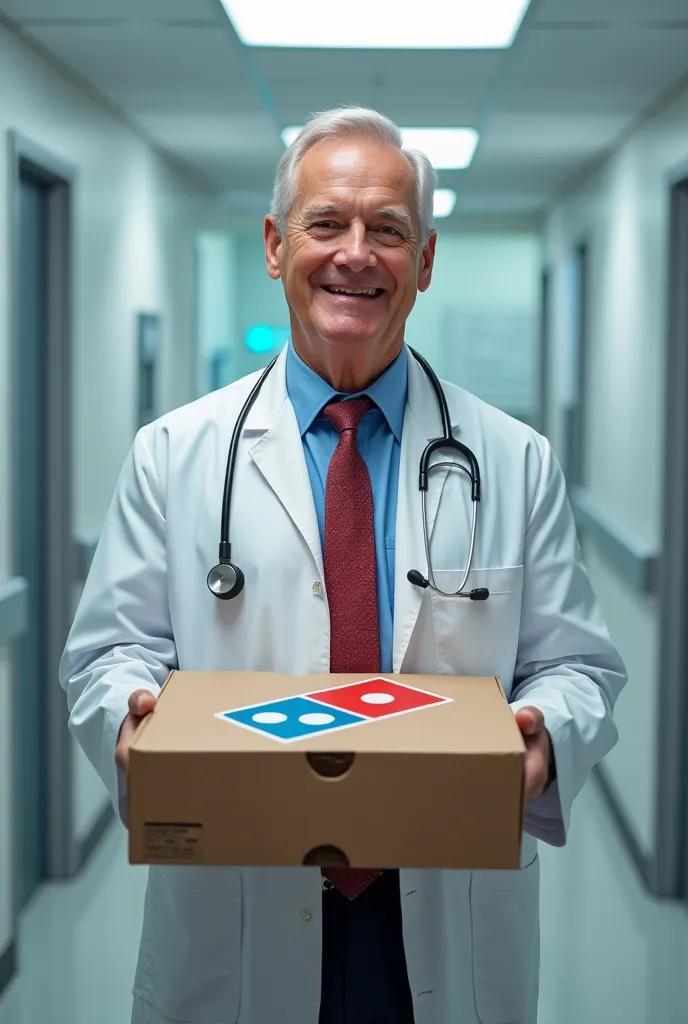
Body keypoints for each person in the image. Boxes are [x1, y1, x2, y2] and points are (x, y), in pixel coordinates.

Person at [60, 107, 626, 1024]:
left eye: (389, 230)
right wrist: (130, 717)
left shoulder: (515, 460)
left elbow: (580, 667)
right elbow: (105, 656)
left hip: (442, 897)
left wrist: (543, 738)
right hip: (238, 894)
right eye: (327, 223)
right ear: (278, 245)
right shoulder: (175, 452)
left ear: (426, 262)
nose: (355, 254)